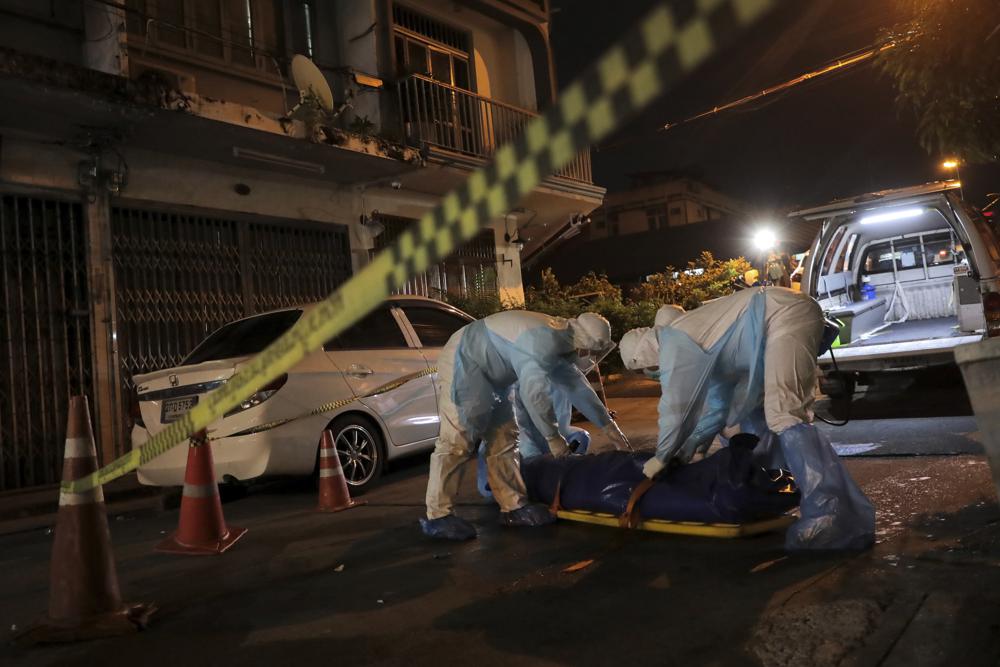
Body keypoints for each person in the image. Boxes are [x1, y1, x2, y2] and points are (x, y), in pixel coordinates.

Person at [620, 287, 874, 550]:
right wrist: (689, 446)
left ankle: (832, 515)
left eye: (644, 369)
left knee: (784, 414)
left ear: (643, 354)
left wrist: (661, 457)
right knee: (758, 414)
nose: (650, 374)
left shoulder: (674, 344)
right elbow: (718, 406)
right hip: (776, 318)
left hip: (784, 315)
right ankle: (777, 491)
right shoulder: (690, 342)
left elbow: (676, 410)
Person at [422, 310, 632, 540]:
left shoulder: (563, 342)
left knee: (504, 438)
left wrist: (611, 429)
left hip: (496, 377)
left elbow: (578, 388)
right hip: (466, 360)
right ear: (582, 343)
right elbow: (535, 395)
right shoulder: (544, 342)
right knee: (458, 439)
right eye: (590, 352)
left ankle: (513, 507)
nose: (590, 358)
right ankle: (438, 515)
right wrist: (553, 438)